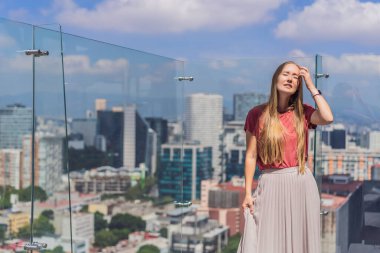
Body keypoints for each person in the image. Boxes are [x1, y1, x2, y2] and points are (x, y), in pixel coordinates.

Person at [237, 61, 334, 253]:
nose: (290, 79)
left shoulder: (303, 112)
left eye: (296, 77)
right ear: (276, 78)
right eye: (286, 74)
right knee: (266, 243)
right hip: (270, 184)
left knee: (300, 243)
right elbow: (251, 155)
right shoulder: (256, 114)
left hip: (301, 183)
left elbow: (327, 117)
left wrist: (311, 86)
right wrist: (248, 192)